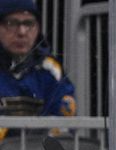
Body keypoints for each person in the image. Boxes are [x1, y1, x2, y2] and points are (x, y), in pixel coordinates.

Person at [0, 0, 77, 141]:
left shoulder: (49, 70)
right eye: (11, 23)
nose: (22, 32)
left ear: (38, 27)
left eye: (29, 23)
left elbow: (63, 127)